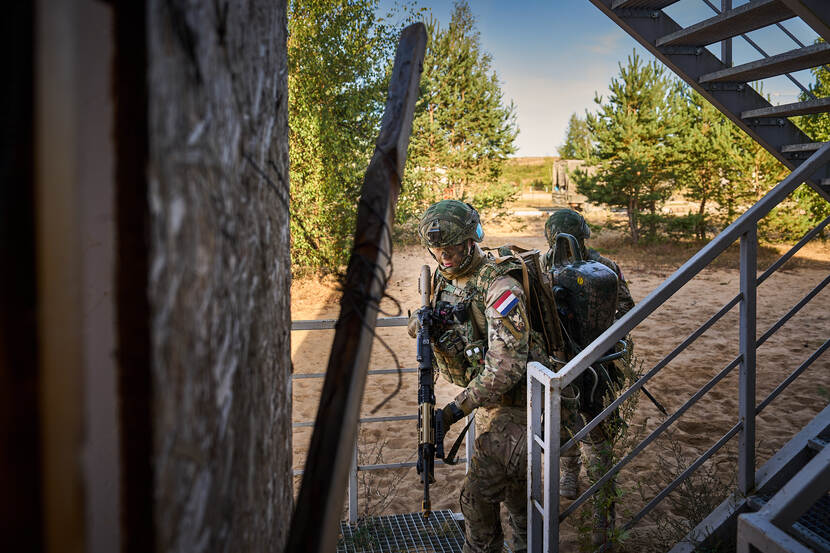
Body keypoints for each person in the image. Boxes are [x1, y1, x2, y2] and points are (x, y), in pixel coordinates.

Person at [408, 199, 550, 553]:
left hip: (519, 404)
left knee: (475, 497)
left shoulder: (500, 287)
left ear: (472, 240)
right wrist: (422, 322)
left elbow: (507, 366)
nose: (445, 255)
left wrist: (455, 410)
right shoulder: (443, 278)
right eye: (438, 248)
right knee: (517, 493)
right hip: (490, 405)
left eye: (453, 246)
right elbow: (419, 321)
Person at [540, 208, 634, 526]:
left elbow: (625, 307)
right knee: (563, 424)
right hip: (560, 360)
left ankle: (602, 509)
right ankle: (569, 471)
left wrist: (598, 330)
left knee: (597, 430)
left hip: (597, 364)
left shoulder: (603, 267)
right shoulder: (543, 264)